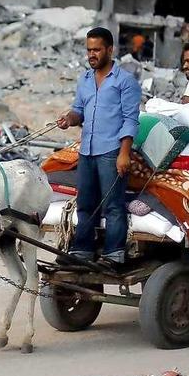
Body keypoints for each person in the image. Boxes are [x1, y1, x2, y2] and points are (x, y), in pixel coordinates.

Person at [56, 27, 140, 267]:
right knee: (84, 204)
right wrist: (69, 119)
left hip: (111, 151)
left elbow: (130, 119)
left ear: (110, 50)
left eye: (97, 50)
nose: (91, 54)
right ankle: (82, 251)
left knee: (113, 206)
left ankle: (114, 254)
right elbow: (79, 111)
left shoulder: (125, 81)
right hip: (87, 151)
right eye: (89, 50)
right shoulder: (84, 79)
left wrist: (124, 154)